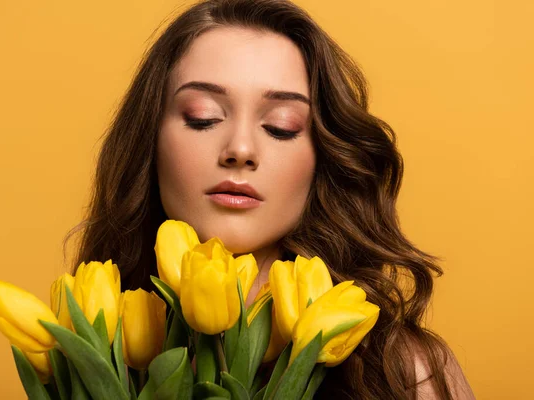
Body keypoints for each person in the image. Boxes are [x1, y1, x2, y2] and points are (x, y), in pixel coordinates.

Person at [63, 0, 475, 398]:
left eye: (281, 126)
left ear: (322, 158)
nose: (240, 148)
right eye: (202, 116)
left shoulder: (405, 373)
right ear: (149, 141)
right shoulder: (84, 366)